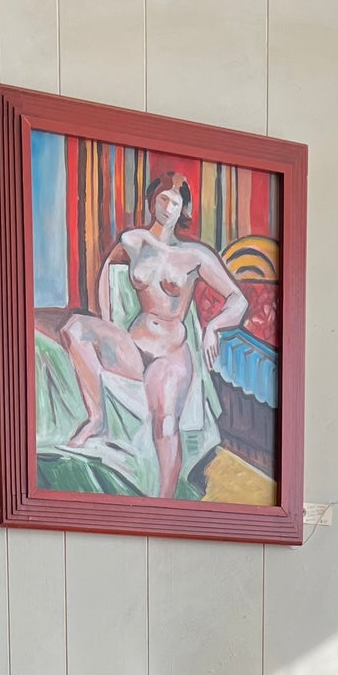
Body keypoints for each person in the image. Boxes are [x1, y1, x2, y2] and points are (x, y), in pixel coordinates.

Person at [59, 173, 247, 500]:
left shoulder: (195, 255)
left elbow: (238, 300)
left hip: (170, 354)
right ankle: (97, 417)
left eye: (175, 202)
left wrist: (215, 327)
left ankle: (164, 502)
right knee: (73, 329)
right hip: (133, 344)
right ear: (152, 201)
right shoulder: (134, 241)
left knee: (166, 425)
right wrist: (106, 317)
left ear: (183, 208)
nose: (168, 207)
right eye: (162, 198)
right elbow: (108, 266)